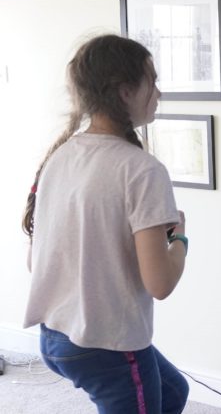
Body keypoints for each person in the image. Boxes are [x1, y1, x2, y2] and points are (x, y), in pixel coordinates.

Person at [22, 34, 190, 413]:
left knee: (173, 391)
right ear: (125, 91)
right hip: (108, 346)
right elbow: (160, 284)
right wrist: (179, 239)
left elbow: (36, 262)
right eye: (152, 82)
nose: (159, 93)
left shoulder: (60, 156)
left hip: (56, 338)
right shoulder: (142, 169)